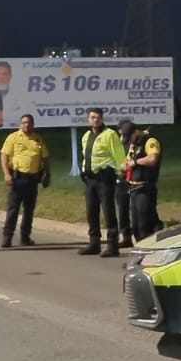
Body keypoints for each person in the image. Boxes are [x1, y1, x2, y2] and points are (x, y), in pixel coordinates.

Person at [76, 107, 126, 256]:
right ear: (88, 119)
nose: (95, 120)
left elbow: (119, 155)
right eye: (92, 117)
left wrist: (121, 173)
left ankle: (112, 245)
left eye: (97, 117)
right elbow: (86, 156)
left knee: (108, 212)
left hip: (105, 179)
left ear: (102, 119)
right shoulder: (86, 136)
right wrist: (84, 171)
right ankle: (94, 243)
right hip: (90, 181)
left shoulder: (110, 134)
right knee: (91, 212)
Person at [0, 113, 51, 248]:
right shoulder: (13, 137)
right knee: (13, 209)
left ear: (33, 124)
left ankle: (25, 237)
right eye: (24, 122)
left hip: (32, 180)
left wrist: (47, 175)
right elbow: (4, 156)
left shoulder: (38, 139)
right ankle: (7, 237)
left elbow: (45, 158)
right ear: (20, 124)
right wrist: (6, 174)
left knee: (29, 210)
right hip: (17, 178)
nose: (26, 125)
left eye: (29, 123)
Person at [123, 122, 164, 240]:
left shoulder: (150, 141)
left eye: (130, 137)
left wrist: (135, 162)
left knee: (144, 223)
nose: (129, 140)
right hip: (134, 188)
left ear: (136, 132)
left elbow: (153, 158)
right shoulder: (134, 145)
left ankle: (150, 250)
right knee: (136, 226)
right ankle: (140, 249)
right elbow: (127, 160)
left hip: (145, 188)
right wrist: (124, 165)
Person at [114, 119, 136, 247]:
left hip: (133, 179)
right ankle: (126, 236)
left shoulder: (135, 143)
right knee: (122, 210)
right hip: (120, 180)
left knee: (135, 210)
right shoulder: (117, 143)